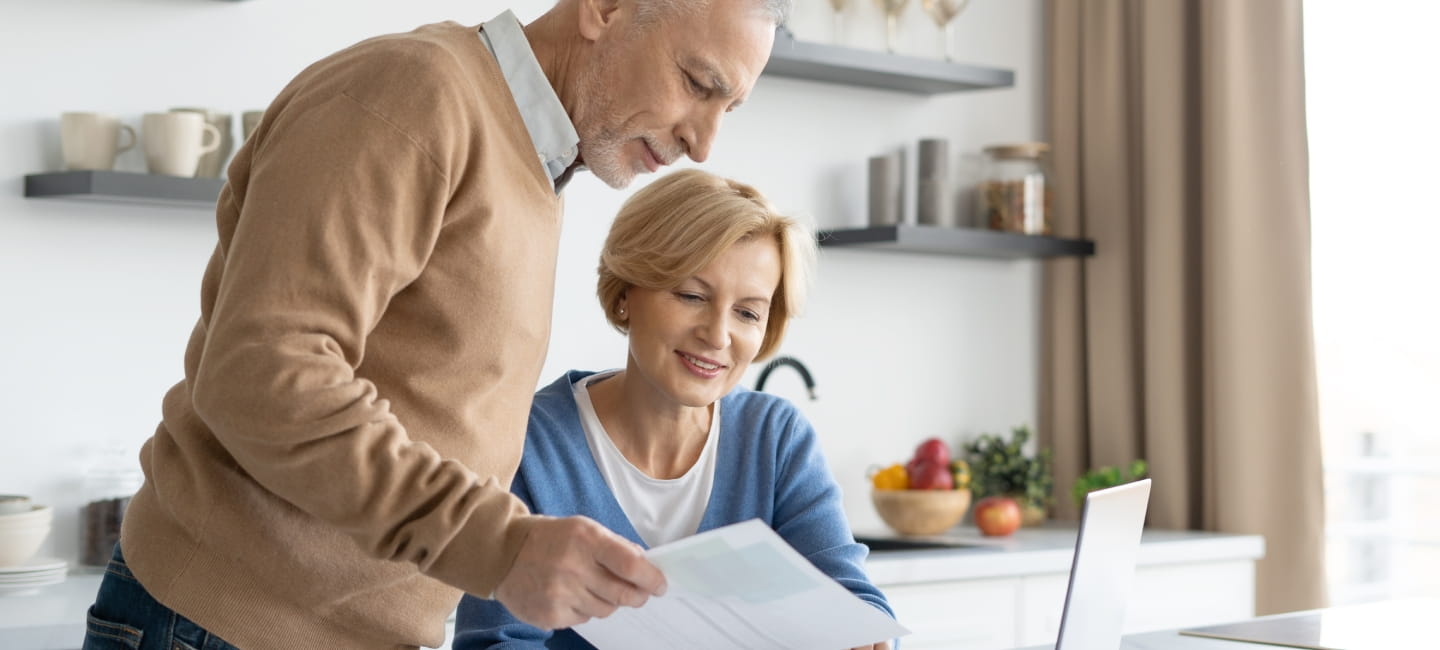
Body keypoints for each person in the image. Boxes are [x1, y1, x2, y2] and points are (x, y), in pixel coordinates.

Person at [81, 1, 790, 649]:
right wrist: (500, 545)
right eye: (698, 84)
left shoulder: (535, 165)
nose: (704, 143)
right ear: (605, 9)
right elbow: (262, 374)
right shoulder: (413, 93)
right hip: (220, 625)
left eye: (730, 107)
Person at [452, 169, 896, 650]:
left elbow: (853, 600)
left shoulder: (775, 438)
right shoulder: (529, 441)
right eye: (691, 296)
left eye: (747, 312)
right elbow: (497, 641)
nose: (718, 335)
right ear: (625, 295)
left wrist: (864, 636)